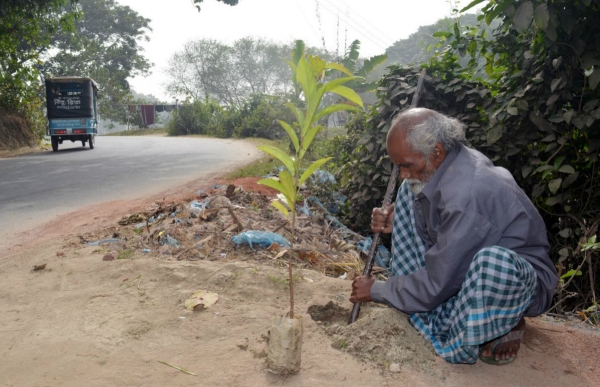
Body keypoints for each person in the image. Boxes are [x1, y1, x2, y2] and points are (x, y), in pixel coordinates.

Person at [350, 108, 558, 365]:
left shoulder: (467, 194)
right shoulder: (449, 162)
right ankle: (430, 305)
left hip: (517, 281)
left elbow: (439, 281)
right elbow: (439, 226)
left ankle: (507, 319)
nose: (402, 173)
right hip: (465, 261)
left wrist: (378, 290)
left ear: (436, 152)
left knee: (493, 263)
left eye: (406, 165)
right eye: (398, 166)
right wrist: (398, 220)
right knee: (408, 192)